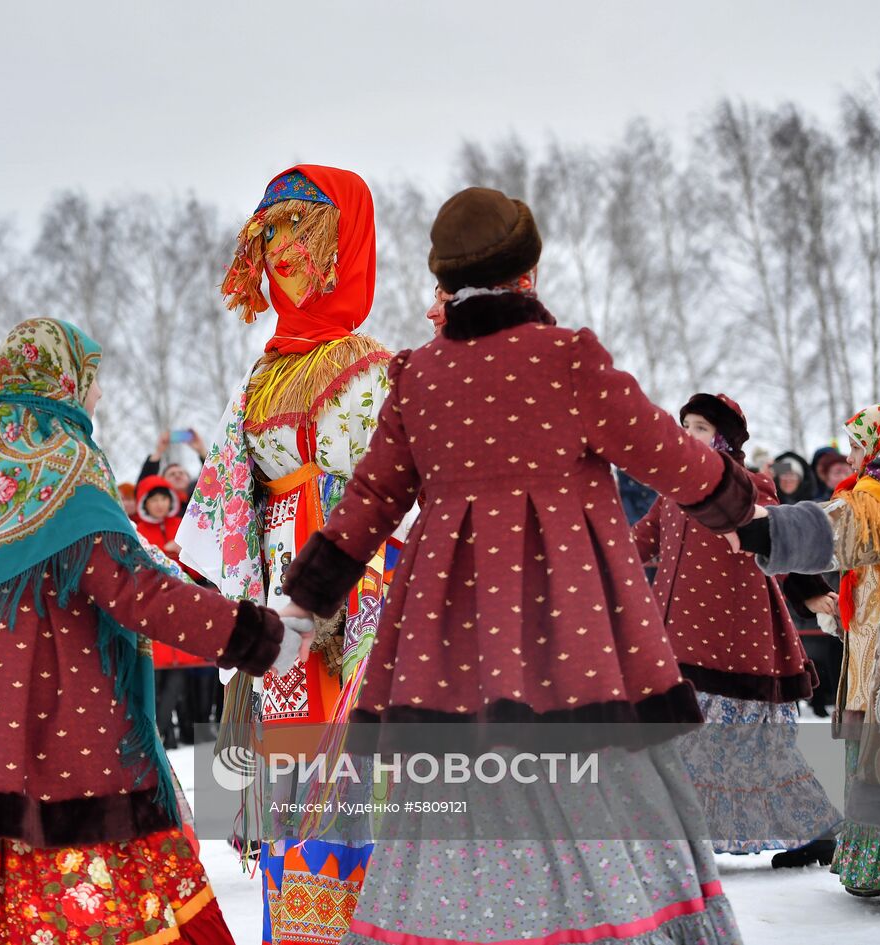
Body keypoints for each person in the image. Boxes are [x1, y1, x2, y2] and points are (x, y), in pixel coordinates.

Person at [281, 186, 755, 943]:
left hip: (451, 641)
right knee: (601, 787)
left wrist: (306, 600)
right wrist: (737, 506)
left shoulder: (420, 376)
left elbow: (370, 498)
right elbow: (663, 450)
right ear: (526, 269)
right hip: (570, 632)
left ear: (447, 282)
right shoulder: (567, 358)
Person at [0, 317, 306, 942]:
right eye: (93, 380)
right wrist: (254, 637)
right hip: (66, 743)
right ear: (63, 384)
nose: (99, 396)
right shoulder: (72, 473)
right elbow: (136, 590)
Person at [177, 164, 401, 942]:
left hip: (350, 594)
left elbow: (394, 498)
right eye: (269, 232)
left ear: (346, 243)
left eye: (301, 231)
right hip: (281, 578)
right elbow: (233, 490)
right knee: (293, 754)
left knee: (346, 761)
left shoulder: (367, 365)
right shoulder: (270, 369)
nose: (280, 251)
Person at [633, 393, 840, 866]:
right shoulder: (669, 492)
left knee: (747, 747)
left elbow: (781, 537)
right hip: (676, 641)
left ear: (724, 436)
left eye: (700, 427)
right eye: (684, 425)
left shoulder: (745, 486)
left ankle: (815, 829)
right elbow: (638, 543)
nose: (688, 435)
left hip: (735, 641)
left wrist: (809, 591)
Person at [737, 401, 880, 898]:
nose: (851, 454)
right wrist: (831, 612)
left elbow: (841, 530)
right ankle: (876, 868)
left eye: (856, 443)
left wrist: (767, 527)